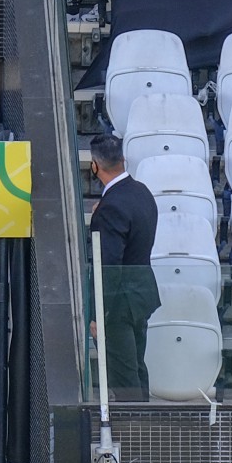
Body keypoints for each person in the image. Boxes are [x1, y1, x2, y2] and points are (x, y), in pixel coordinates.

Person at [88, 132, 161, 401]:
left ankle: (135, 424)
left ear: (95, 166)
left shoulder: (110, 207)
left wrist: (97, 313)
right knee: (137, 367)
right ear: (123, 160)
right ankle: (145, 421)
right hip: (141, 294)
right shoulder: (142, 192)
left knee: (124, 377)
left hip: (118, 304)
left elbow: (109, 264)